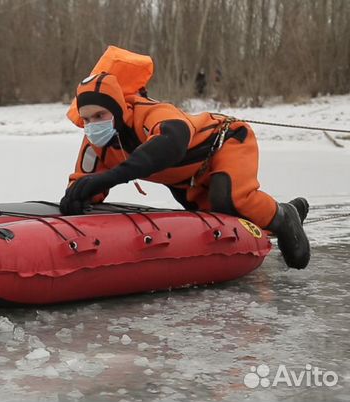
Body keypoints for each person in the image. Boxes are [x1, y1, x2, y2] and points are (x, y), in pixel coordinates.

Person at [60, 71, 311, 269]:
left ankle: (284, 215)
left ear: (118, 109)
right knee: (221, 221)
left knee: (231, 200)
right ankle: (267, 223)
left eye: (100, 115)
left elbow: (170, 144)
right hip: (186, 180)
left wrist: (112, 177)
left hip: (226, 141)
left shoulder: (150, 113)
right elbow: (83, 180)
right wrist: (77, 196)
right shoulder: (96, 145)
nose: (93, 125)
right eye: (87, 119)